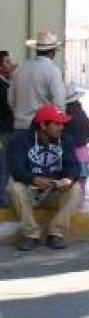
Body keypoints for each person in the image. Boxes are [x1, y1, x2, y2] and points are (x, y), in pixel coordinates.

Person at [6, 104, 80, 251]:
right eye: (57, 124)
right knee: (15, 188)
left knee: (76, 188)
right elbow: (15, 168)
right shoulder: (20, 141)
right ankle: (31, 234)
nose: (61, 127)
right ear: (43, 125)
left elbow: (74, 165)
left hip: (54, 191)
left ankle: (56, 234)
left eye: (62, 124)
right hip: (30, 191)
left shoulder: (66, 140)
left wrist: (69, 179)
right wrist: (33, 179)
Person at [9, 31, 65, 131]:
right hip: (40, 128)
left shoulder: (20, 69)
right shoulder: (53, 70)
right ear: (53, 52)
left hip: (19, 124)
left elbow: (11, 99)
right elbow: (59, 103)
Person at [64, 84, 89, 209]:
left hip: (71, 157)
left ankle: (71, 210)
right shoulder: (83, 115)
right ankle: (79, 209)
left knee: (69, 188)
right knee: (81, 187)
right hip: (83, 156)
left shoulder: (65, 118)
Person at [0, 51, 17, 207]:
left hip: (8, 127)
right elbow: (9, 107)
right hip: (6, 128)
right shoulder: (2, 86)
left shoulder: (6, 83)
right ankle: (2, 199)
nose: (10, 64)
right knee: (5, 163)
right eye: (7, 62)